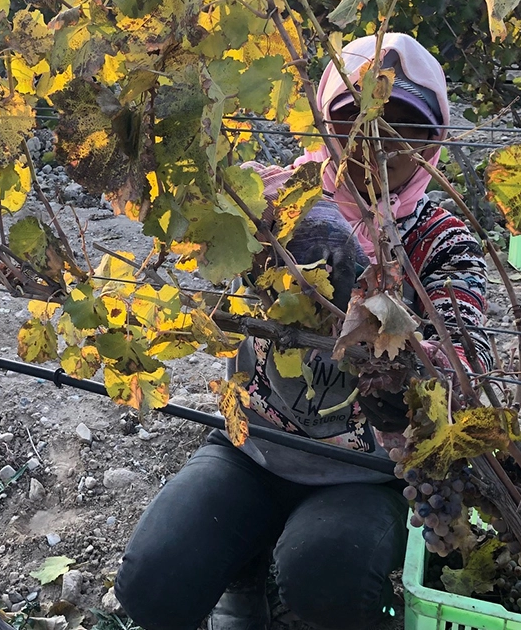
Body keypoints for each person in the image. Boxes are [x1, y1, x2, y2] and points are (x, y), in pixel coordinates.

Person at [113, 33, 492, 630]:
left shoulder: (441, 239)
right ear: (326, 125)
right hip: (252, 447)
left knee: (328, 577)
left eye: (401, 125)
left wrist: (415, 379)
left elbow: (467, 349)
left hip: (364, 474)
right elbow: (193, 235)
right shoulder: (274, 199)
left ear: (431, 139)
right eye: (355, 120)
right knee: (151, 586)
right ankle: (246, 571)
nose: (376, 142)